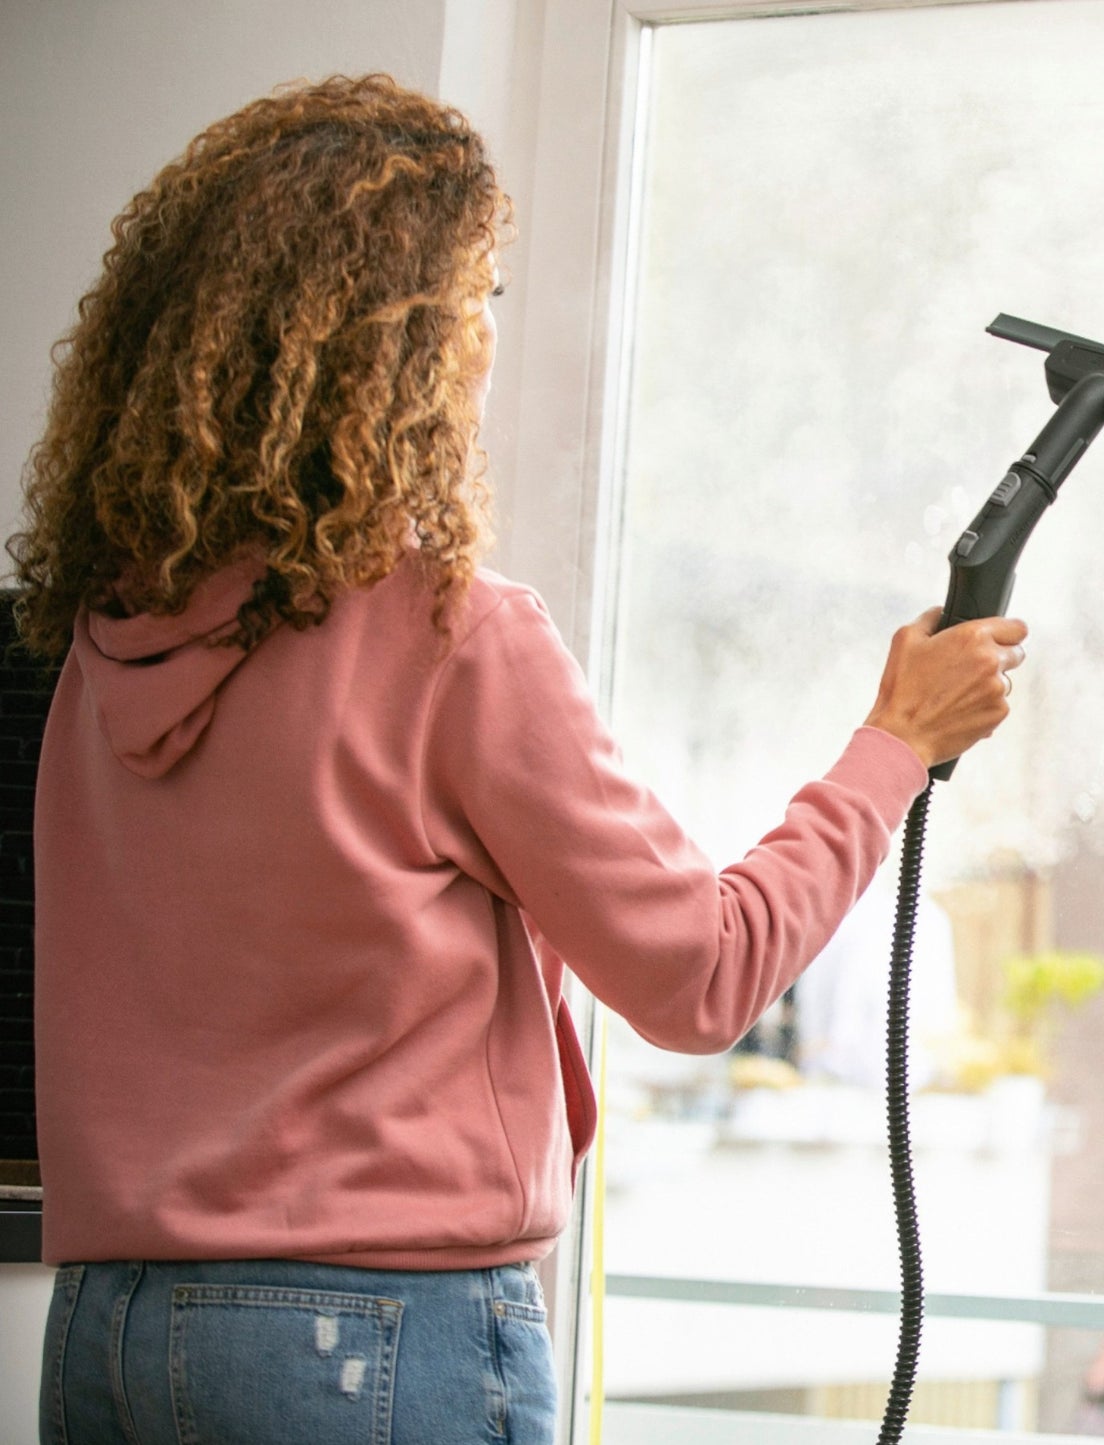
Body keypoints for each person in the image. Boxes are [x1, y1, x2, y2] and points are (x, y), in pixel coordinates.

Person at [11, 74, 1027, 1445]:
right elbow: (701, 973)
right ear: (392, 346)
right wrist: (894, 746)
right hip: (359, 1341)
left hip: (107, 1337)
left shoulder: (101, 651)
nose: (488, 345)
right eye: (474, 302)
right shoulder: (451, 636)